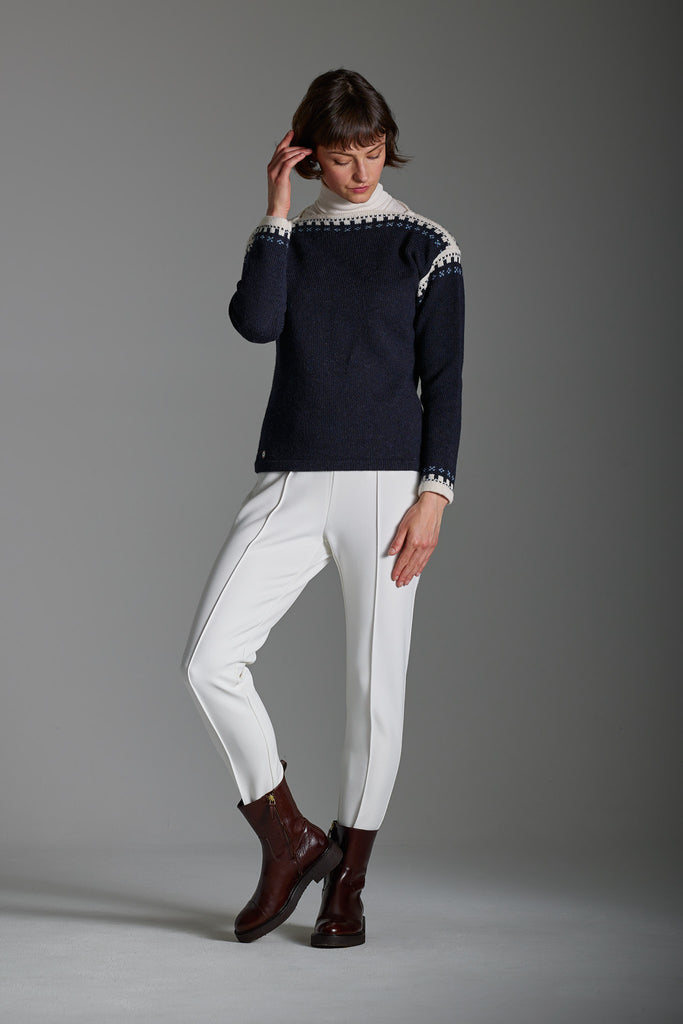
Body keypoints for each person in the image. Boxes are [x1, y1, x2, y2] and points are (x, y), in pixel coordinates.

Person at [180, 68, 465, 947]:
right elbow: (256, 323)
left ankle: (348, 884)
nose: (360, 171)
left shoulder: (426, 245)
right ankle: (289, 837)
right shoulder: (292, 240)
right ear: (309, 157)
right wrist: (273, 211)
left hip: (388, 492)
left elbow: (444, 380)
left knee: (374, 693)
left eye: (372, 152)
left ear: (387, 146)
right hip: (293, 480)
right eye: (340, 158)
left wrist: (434, 494)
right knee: (208, 661)